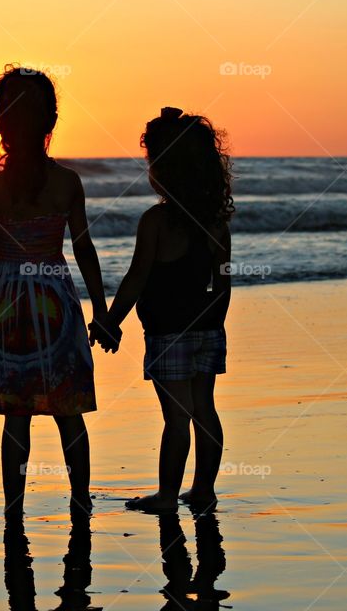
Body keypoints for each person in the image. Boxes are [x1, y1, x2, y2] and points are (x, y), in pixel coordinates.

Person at [0, 65, 108, 518]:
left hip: (5, 303)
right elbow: (84, 249)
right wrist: (101, 309)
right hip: (54, 297)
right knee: (67, 408)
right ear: (51, 123)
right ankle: (80, 500)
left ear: (1, 124)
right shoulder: (67, 183)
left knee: (15, 414)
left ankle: (14, 507)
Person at [93, 107, 234, 513]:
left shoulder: (156, 221)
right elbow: (223, 284)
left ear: (163, 170)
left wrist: (109, 322)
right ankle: (203, 490)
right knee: (204, 408)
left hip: (167, 331)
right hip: (207, 326)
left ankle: (168, 495)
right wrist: (213, 323)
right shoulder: (215, 223)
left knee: (176, 417)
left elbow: (136, 279)